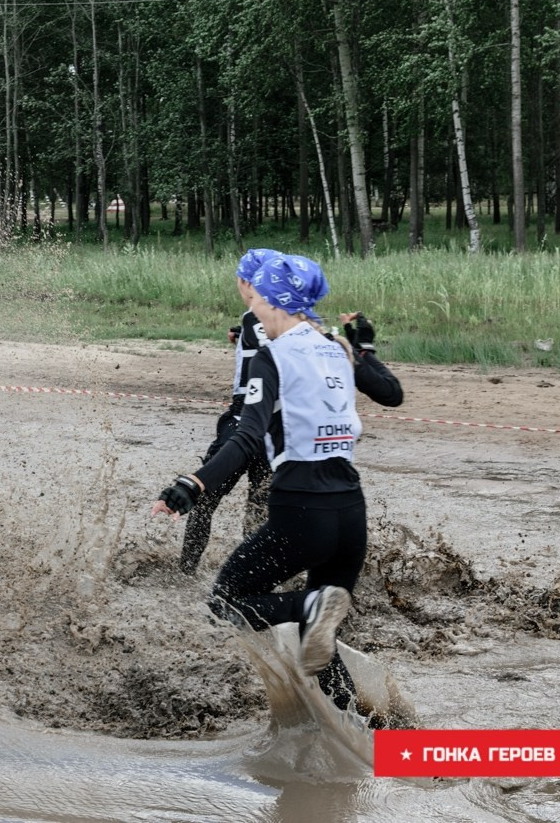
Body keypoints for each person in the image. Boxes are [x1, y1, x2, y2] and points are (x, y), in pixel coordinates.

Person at [152, 251, 401, 713]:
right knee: (316, 642)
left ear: (274, 301)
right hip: (351, 515)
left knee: (228, 601)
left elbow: (247, 436)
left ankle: (308, 607)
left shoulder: (273, 356)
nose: (254, 309)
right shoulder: (337, 347)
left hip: (303, 513)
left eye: (258, 300)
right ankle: (372, 733)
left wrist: (194, 483)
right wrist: (364, 347)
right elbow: (392, 394)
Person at [180, 249, 274, 574]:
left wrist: (248, 332)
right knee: (259, 512)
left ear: (247, 282)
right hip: (275, 427)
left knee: (204, 497)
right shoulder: (284, 317)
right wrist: (241, 334)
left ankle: (186, 570)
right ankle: (254, 579)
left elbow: (265, 343)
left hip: (243, 420)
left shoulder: (254, 317)